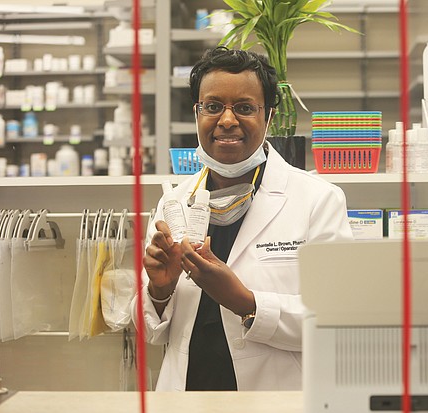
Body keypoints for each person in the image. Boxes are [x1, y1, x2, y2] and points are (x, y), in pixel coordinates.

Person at [132, 47, 353, 391]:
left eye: (245, 108)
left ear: (268, 117)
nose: (227, 120)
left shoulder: (317, 200)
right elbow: (150, 332)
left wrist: (246, 303)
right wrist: (160, 289)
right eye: (213, 106)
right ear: (197, 112)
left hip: (274, 396)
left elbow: (336, 320)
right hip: (187, 394)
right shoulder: (173, 203)